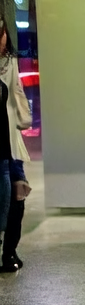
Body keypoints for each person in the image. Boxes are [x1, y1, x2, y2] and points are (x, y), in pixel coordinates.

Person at [0, 21, 29, 272]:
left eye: (3, 33)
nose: (2, 39)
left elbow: (17, 98)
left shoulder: (9, 64)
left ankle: (9, 251)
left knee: (17, 201)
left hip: (10, 144)